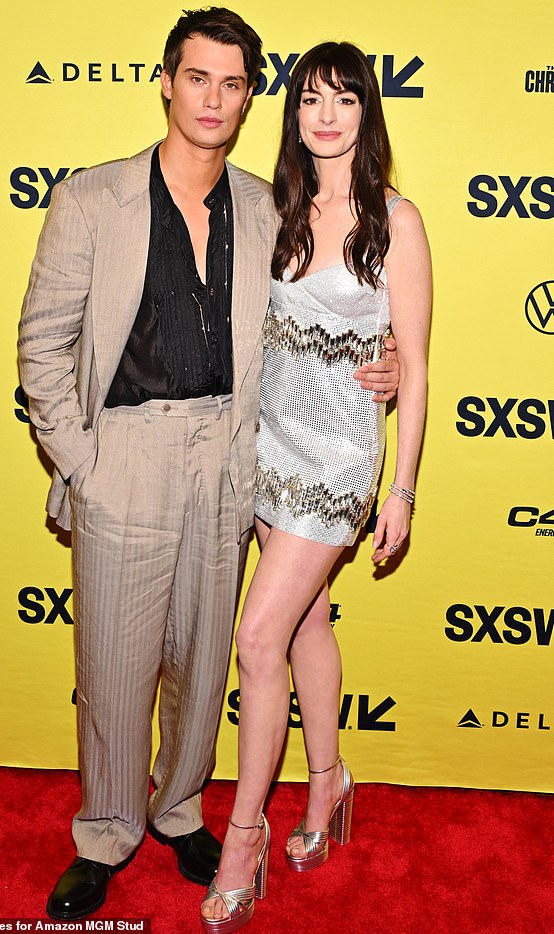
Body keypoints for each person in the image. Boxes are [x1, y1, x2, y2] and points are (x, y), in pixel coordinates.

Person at [18, 10, 398, 921]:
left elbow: (332, 307)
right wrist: (85, 462)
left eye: (233, 84)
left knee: (202, 658)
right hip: (127, 453)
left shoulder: (274, 206)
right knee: (113, 662)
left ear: (247, 96)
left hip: (236, 453)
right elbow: (41, 347)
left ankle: (181, 808)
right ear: (166, 81)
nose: (214, 99)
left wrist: (377, 365)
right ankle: (107, 831)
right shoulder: (91, 199)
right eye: (198, 78)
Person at [201, 40, 431, 932]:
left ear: (368, 113)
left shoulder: (396, 219)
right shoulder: (276, 207)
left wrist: (401, 489)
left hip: (338, 461)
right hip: (270, 448)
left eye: (343, 99)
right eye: (309, 100)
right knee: (304, 625)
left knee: (256, 639)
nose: (324, 115)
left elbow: (412, 367)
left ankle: (244, 838)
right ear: (291, 115)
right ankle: (328, 783)